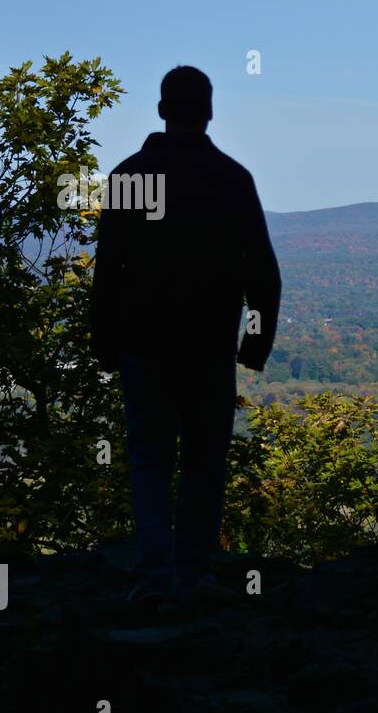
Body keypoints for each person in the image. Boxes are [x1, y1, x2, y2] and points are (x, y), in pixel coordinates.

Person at [90, 65, 281, 604]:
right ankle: (194, 573)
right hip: (207, 346)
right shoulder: (231, 178)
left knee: (150, 458)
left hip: (144, 344)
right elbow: (261, 272)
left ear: (160, 109)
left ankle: (155, 577)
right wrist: (254, 343)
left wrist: (104, 343)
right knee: (203, 458)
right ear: (210, 110)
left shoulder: (130, 176)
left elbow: (110, 270)